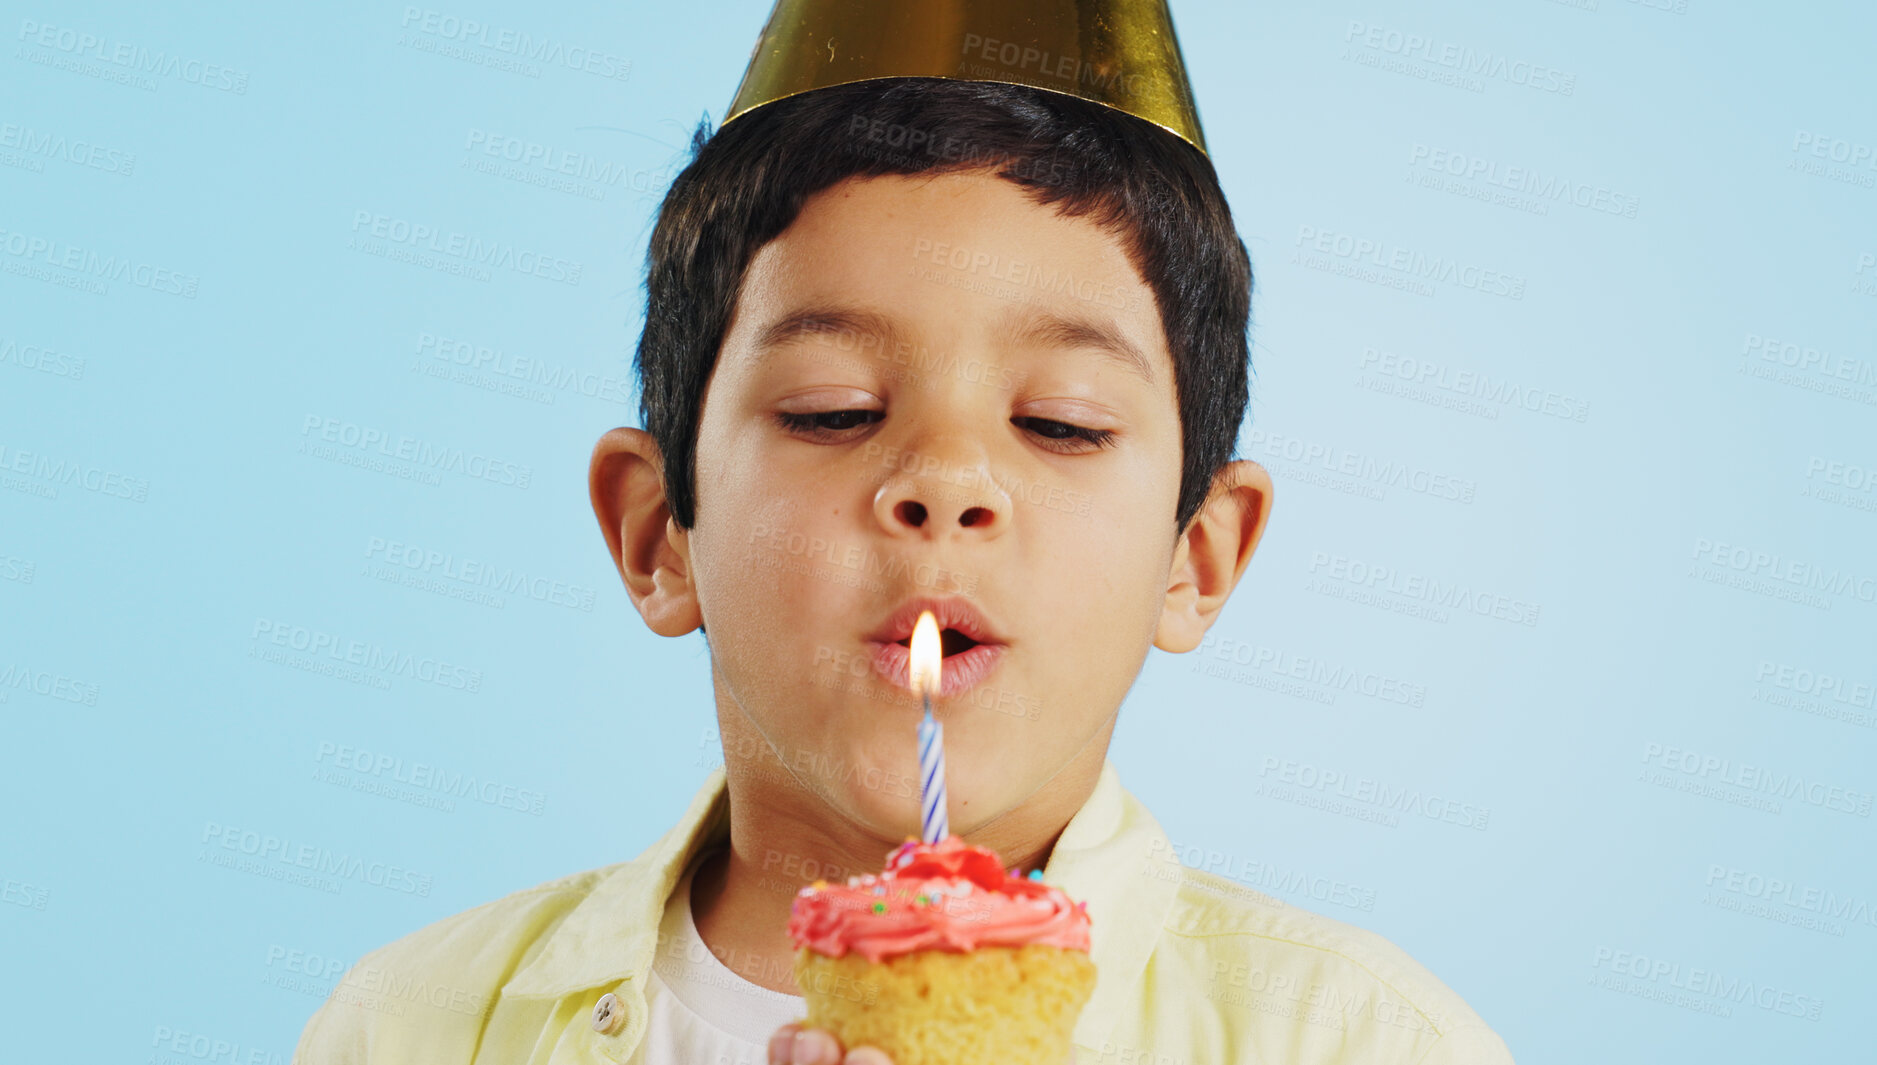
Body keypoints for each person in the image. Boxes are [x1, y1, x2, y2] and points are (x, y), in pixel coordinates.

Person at [292, 3, 1516, 1063]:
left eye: (1061, 422)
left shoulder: (1363, 1040)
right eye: (834, 410)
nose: (945, 483)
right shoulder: (418, 1023)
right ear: (658, 529)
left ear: (1196, 558)